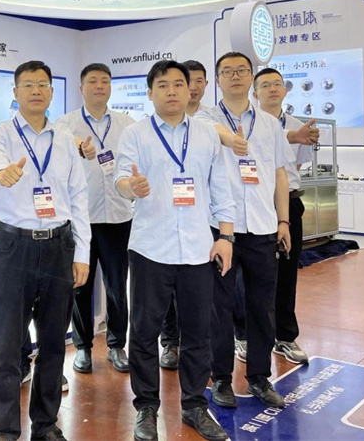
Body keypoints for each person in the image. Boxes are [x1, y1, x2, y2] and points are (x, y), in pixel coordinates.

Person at [115, 60, 234, 441]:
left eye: (178, 84)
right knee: (144, 332)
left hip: (198, 248)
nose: (172, 91)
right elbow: (120, 177)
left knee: (199, 331)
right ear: (150, 92)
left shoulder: (206, 135)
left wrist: (226, 236)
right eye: (163, 85)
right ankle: (146, 407)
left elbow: (221, 186)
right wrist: (131, 187)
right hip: (150, 247)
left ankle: (194, 405)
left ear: (189, 90)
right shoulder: (136, 134)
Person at [0, 60, 91, 441]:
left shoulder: (65, 140)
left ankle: (45, 424)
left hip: (59, 247)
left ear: (51, 92)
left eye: (42, 84)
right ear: (15, 93)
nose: (35, 91)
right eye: (27, 85)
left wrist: (82, 254)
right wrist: (2, 172)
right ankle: (4, 429)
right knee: (7, 345)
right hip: (13, 247)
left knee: (53, 343)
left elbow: (78, 196)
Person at [197, 52, 296, 410]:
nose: (235, 76)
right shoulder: (204, 118)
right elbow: (211, 131)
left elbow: (280, 174)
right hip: (221, 229)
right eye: (227, 71)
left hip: (263, 226)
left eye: (242, 70)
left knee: (261, 306)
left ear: (251, 77)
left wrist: (283, 221)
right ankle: (221, 378)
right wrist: (229, 138)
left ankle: (259, 377)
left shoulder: (269, 124)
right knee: (219, 307)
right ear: (218, 80)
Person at [59, 63, 134, 375]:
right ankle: (83, 348)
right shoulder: (65, 124)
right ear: (82, 88)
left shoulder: (127, 124)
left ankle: (116, 345)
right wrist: (78, 147)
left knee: (117, 285)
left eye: (105, 81)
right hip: (81, 218)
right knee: (80, 285)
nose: (99, 86)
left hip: (118, 217)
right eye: (93, 81)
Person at [247, 67, 318, 365]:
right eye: (265, 85)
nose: (273, 89)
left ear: (285, 90)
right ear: (255, 93)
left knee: (287, 273)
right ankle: (246, 336)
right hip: (255, 204)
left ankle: (285, 337)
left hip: (289, 203)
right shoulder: (247, 125)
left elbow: (293, 170)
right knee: (250, 274)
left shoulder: (299, 126)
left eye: (277, 84)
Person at [159, 59, 214, 371]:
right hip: (164, 225)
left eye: (196, 81)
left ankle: (199, 361)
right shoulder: (151, 128)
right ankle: (170, 342)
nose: (191, 87)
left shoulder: (210, 125)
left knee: (198, 300)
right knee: (165, 295)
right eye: (184, 81)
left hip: (199, 224)